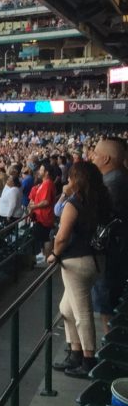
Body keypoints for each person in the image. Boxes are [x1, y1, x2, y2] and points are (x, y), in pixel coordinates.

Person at [49, 161, 113, 378]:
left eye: (70, 178)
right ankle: (75, 354)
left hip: (77, 262)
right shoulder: (101, 199)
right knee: (66, 309)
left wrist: (55, 254)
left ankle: (88, 360)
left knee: (81, 313)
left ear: (77, 180)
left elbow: (62, 236)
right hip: (96, 261)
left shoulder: (74, 203)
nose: (67, 181)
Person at [90, 137, 128, 336]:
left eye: (95, 154)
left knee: (107, 311)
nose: (92, 157)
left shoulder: (112, 184)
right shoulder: (118, 179)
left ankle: (110, 352)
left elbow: (101, 220)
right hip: (115, 253)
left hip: (111, 257)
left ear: (105, 159)